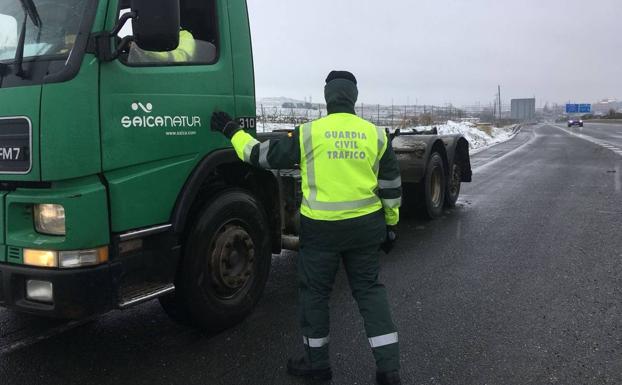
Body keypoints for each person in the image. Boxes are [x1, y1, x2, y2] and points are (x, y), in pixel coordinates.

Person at [210, 71, 402, 385]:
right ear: (353, 96)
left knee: (315, 295)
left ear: (328, 97)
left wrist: (231, 130)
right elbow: (391, 186)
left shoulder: (309, 133)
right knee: (370, 293)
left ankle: (317, 365)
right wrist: (391, 226)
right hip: (366, 229)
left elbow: (259, 156)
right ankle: (388, 369)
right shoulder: (376, 135)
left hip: (322, 233)